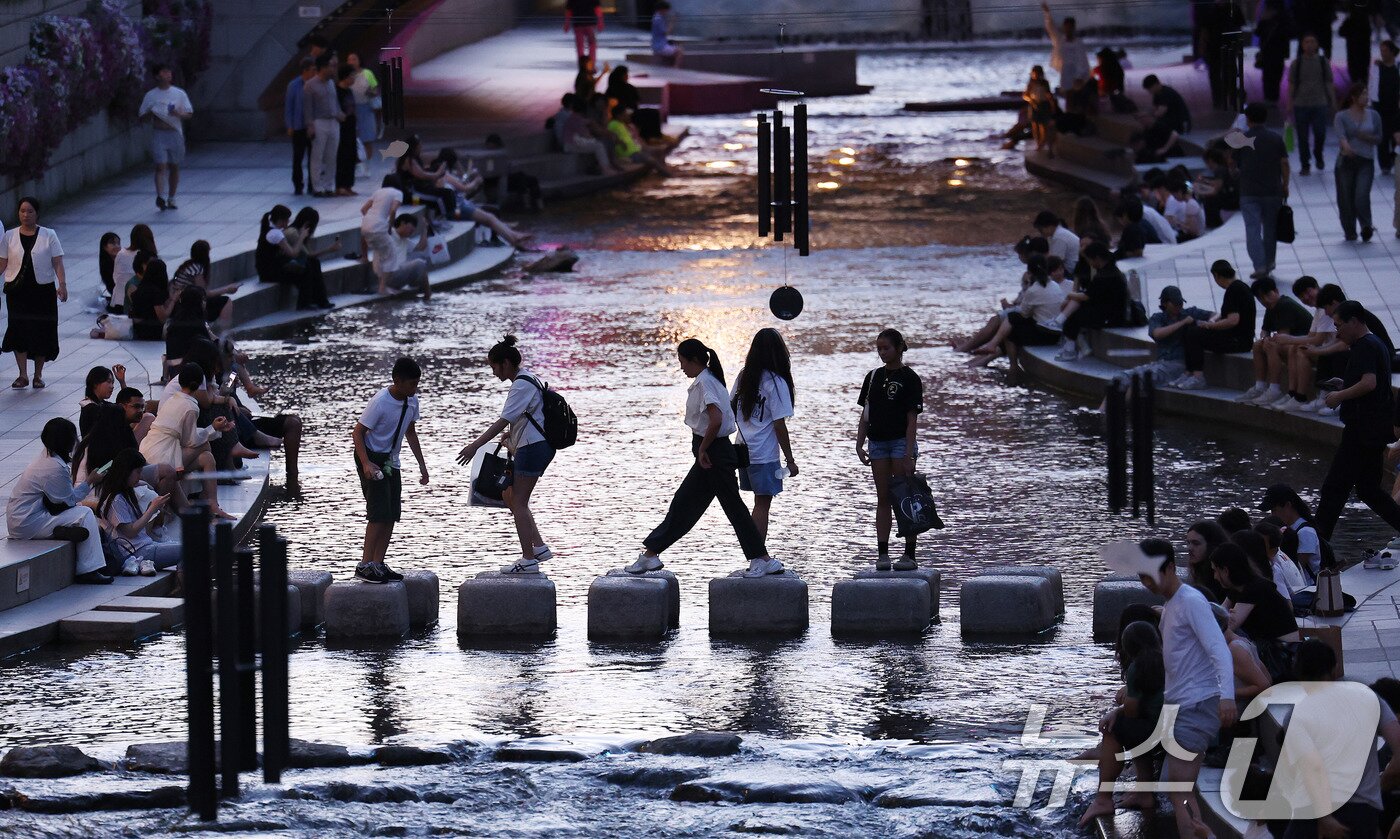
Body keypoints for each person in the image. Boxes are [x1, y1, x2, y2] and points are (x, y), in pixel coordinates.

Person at [627, 339, 785, 578]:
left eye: (682, 361)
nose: (681, 367)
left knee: (731, 509)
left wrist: (703, 449)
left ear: (694, 360)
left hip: (713, 454)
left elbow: (716, 419)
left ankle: (762, 559)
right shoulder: (710, 379)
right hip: (713, 452)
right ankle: (650, 555)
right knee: (684, 505)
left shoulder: (705, 383)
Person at [1116, 538, 1235, 839]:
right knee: (1175, 787)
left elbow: (1218, 649)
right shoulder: (1171, 606)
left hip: (1198, 705)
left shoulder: (1191, 602)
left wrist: (1228, 697)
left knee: (1177, 786)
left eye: (1150, 575)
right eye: (1141, 576)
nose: (1145, 583)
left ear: (1170, 567)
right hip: (1183, 706)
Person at [1278, 640, 1400, 839]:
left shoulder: (1296, 715)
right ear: (1334, 669)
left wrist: (1325, 818)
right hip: (1361, 812)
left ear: (1297, 672)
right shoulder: (1370, 700)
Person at [456, 336, 557, 573]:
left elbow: (502, 421)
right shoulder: (529, 378)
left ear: (506, 363)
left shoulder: (521, 384)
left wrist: (475, 446)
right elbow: (526, 418)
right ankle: (539, 547)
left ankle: (528, 560)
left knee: (519, 502)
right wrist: (511, 438)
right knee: (510, 496)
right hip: (532, 445)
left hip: (533, 447)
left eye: (494, 366)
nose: (494, 373)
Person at [1315, 301, 1400, 540]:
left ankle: (1317, 547)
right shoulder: (1376, 344)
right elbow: (1371, 383)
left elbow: (1369, 383)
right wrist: (1345, 384)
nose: (1337, 331)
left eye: (1339, 325)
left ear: (1354, 322)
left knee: (1334, 488)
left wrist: (1338, 396)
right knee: (1369, 490)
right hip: (1373, 429)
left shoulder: (1364, 346)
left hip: (1361, 430)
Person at [1077, 620, 1165, 825]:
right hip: (1175, 729)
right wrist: (1120, 709)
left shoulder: (1139, 666)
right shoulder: (1166, 659)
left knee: (1113, 729)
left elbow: (1132, 711)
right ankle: (1144, 794)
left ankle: (1103, 799)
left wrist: (1117, 710)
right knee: (1132, 730)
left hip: (1158, 734)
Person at [6, 418, 111, 583]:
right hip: (28, 523)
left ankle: (58, 531)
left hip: (24, 519)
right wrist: (90, 481)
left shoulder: (47, 459)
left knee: (80, 512)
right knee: (85, 514)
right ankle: (89, 569)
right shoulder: (54, 467)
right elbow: (68, 501)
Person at [353, 356, 428, 584]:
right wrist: (366, 463)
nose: (415, 388)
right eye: (412, 384)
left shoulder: (412, 401)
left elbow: (410, 432)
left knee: (392, 513)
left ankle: (378, 563)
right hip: (372, 456)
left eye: (417, 383)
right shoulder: (380, 401)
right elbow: (357, 433)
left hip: (391, 460)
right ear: (397, 380)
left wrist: (422, 465)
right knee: (378, 513)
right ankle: (364, 565)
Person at [855, 328, 924, 569]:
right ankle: (882, 553)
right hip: (877, 443)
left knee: (905, 496)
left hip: (899, 443)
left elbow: (912, 419)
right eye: (879, 349)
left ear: (898, 348)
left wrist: (908, 453)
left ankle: (909, 554)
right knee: (882, 497)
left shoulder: (910, 378)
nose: (882, 353)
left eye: (886, 348)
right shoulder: (872, 377)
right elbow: (865, 414)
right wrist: (859, 442)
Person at [730, 328, 798, 540]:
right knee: (762, 504)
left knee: (757, 504)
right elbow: (779, 425)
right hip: (764, 453)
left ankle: (755, 555)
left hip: (743, 449)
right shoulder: (776, 382)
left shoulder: (744, 376)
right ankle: (758, 557)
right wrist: (790, 460)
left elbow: (730, 408)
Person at [1, 197, 65, 390]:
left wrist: (62, 284)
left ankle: (38, 374)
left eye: (29, 211)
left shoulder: (49, 234)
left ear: (36, 213)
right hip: (17, 291)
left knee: (42, 330)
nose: (25, 215)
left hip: (42, 290)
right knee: (18, 329)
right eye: (22, 211)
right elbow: (2, 263)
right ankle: (22, 374)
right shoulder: (9, 236)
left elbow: (57, 262)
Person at [1172, 260, 1255, 390]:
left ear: (1217, 276)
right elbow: (1224, 314)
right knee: (1189, 329)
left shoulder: (1233, 290)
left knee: (1194, 334)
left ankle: (1198, 376)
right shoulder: (1239, 287)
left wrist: (1210, 326)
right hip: (1238, 338)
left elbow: (1233, 320)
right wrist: (1211, 321)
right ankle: (1189, 372)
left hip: (1238, 341)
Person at [96, 449, 179, 576]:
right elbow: (130, 531)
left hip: (145, 547)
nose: (140, 477)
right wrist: (151, 510)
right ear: (126, 472)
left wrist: (153, 509)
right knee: (192, 549)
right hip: (137, 553)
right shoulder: (115, 500)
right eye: (138, 472)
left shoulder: (126, 494)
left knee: (194, 546)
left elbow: (139, 530)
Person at [1235, 276, 1312, 405]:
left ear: (1276, 291)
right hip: (1292, 344)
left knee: (1271, 345)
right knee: (1258, 345)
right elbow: (1265, 331)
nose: (1265, 300)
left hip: (1304, 343)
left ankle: (1274, 389)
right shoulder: (1271, 308)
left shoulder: (1285, 305)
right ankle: (1260, 386)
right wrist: (1264, 338)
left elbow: (1283, 336)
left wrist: (1268, 340)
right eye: (1260, 298)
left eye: (1267, 294)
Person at [1233, 103, 1290, 279]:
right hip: (1272, 190)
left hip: (1248, 191)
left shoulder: (1241, 140)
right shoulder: (1275, 138)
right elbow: (1284, 163)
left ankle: (1259, 265)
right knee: (1270, 228)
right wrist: (1285, 185)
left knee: (1252, 229)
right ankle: (1270, 261)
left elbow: (1235, 166)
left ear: (1248, 120)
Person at [1056, 241, 1127, 361]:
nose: (1089, 263)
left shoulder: (1105, 275)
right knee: (1074, 311)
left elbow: (1087, 296)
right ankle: (1076, 345)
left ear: (1097, 258)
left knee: (1073, 317)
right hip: (1109, 308)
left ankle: (1070, 350)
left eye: (1089, 260)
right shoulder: (1110, 271)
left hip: (1111, 315)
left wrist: (1069, 295)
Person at [137, 64, 193, 211]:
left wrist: (178, 114)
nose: (168, 74)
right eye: (164, 72)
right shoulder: (151, 95)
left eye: (169, 71)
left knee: (174, 165)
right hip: (159, 133)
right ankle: (160, 196)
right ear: (157, 76)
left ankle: (172, 197)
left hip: (174, 132)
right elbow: (142, 117)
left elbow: (189, 113)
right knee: (160, 165)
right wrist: (151, 113)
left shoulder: (179, 94)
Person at [255, 204, 332, 310]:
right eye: (287, 220)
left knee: (312, 263)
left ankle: (319, 300)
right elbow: (293, 253)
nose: (288, 223)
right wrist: (302, 236)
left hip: (270, 268)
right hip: (269, 273)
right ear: (281, 220)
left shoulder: (270, 230)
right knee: (306, 269)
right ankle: (304, 304)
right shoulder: (276, 234)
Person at [1334, 81, 1382, 242]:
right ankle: (1350, 230)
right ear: (1353, 98)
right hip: (1346, 162)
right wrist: (1346, 147)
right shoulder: (1341, 116)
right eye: (1363, 94)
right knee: (1346, 197)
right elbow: (1341, 136)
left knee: (1361, 194)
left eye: (1367, 94)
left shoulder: (1374, 115)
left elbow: (1379, 138)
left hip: (1365, 161)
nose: (1366, 97)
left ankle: (1366, 226)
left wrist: (1365, 137)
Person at [1288, 34, 1337, 176]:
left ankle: (1318, 152)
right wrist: (1290, 102)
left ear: (1317, 45)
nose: (1310, 44)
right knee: (1302, 137)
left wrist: (1332, 101)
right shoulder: (1297, 63)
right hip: (1300, 103)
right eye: (1307, 42)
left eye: (1313, 41)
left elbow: (1329, 82)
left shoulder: (1323, 62)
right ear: (1302, 45)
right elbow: (1292, 84)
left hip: (1320, 103)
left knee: (1320, 132)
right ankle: (1305, 164)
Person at [171, 239, 238, 333]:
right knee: (226, 301)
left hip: (182, 303)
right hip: (188, 305)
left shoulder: (188, 265)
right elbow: (203, 293)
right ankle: (224, 333)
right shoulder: (196, 269)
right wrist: (227, 289)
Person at [1261, 483, 1324, 578]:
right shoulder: (1289, 528)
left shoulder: (1306, 532)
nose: (1272, 515)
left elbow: (1296, 569)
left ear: (1287, 505)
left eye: (1274, 510)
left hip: (1306, 588)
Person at [304, 52, 344, 199]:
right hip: (319, 122)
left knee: (332, 156)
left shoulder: (331, 83)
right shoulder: (310, 85)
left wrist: (340, 114)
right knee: (317, 156)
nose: (333, 69)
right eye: (331, 66)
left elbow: (335, 102)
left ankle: (328, 185)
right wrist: (310, 125)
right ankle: (317, 187)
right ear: (322, 68)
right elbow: (307, 108)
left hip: (333, 121)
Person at [373, 214, 433, 297]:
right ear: (402, 223)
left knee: (423, 259)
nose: (411, 233)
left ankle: (427, 295)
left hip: (399, 275)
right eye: (410, 230)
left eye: (413, 232)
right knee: (420, 263)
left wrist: (425, 229)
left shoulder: (405, 240)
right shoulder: (389, 234)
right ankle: (428, 294)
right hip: (388, 277)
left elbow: (421, 247)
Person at [1137, 75, 1191, 162]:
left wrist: (1149, 116)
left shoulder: (1166, 93)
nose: (1149, 92)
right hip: (1169, 119)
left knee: (1157, 126)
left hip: (1179, 122)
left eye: (1149, 89)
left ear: (1155, 85)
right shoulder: (1157, 95)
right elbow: (1154, 109)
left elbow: (1160, 112)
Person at [1040, 1, 1089, 90]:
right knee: (1067, 93)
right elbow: (1050, 27)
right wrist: (1047, 13)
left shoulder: (1078, 42)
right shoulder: (1059, 40)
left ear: (1074, 28)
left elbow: (1083, 61)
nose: (1068, 29)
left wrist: (1080, 77)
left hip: (1077, 74)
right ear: (1063, 27)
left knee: (1076, 96)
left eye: (1070, 27)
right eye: (1066, 27)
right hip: (1065, 72)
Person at [285, 57, 315, 196]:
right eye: (312, 70)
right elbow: (289, 107)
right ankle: (298, 184)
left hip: (312, 126)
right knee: (298, 157)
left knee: (313, 157)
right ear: (305, 70)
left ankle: (312, 184)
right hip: (298, 127)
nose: (315, 72)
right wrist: (290, 125)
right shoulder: (294, 85)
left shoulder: (315, 84)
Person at [1254, 0, 1292, 103]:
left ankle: (1268, 97)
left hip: (1267, 51)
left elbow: (1258, 32)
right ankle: (1274, 97)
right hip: (1279, 51)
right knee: (1276, 75)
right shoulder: (1285, 18)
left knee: (1267, 76)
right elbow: (1290, 33)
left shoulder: (1266, 18)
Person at [345, 52, 379, 164]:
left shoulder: (367, 73)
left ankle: (367, 163)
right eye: (349, 59)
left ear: (359, 61)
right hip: (351, 109)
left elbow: (375, 89)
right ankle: (355, 162)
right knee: (352, 138)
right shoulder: (346, 75)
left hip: (366, 109)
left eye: (354, 59)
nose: (351, 62)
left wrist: (370, 92)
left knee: (367, 138)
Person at [1372, 40, 1400, 176]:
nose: (1383, 54)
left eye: (1385, 50)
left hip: (1396, 107)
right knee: (1382, 137)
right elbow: (1372, 85)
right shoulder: (1377, 68)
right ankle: (1384, 164)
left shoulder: (1397, 68)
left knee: (1396, 135)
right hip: (1380, 106)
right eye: (1381, 51)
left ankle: (1394, 158)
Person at [126, 257, 170, 342]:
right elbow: (162, 317)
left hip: (138, 329)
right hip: (153, 330)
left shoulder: (140, 288)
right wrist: (173, 300)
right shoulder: (154, 291)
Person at [1186, 519, 1230, 601]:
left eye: (1196, 543)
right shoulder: (1199, 572)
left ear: (1211, 545)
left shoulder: (1223, 578)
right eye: (1188, 543)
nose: (1189, 548)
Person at [79, 364, 127, 436]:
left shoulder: (103, 405)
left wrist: (122, 381)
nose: (112, 386)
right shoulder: (90, 407)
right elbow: (123, 409)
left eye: (113, 382)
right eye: (108, 382)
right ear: (95, 383)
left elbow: (125, 406)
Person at [334, 65, 360, 196]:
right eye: (352, 76)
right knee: (342, 157)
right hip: (341, 128)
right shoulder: (337, 91)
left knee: (351, 155)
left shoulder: (349, 91)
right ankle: (340, 185)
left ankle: (348, 184)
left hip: (351, 127)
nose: (353, 78)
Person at [1162, 174, 1205, 241]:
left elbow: (1193, 230)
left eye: (1174, 195)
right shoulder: (1190, 203)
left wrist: (1177, 223)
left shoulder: (1191, 205)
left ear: (1179, 192)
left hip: (1197, 238)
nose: (1174, 198)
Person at [651, 1, 683, 66]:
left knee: (676, 46)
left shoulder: (657, 17)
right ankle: (675, 70)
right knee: (680, 51)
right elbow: (666, 32)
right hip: (660, 46)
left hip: (658, 44)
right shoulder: (658, 19)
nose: (667, 12)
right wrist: (673, 21)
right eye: (667, 10)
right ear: (662, 9)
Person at [98, 231, 122, 312]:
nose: (117, 246)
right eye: (113, 243)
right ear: (105, 247)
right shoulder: (107, 265)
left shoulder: (120, 260)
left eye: (118, 243)